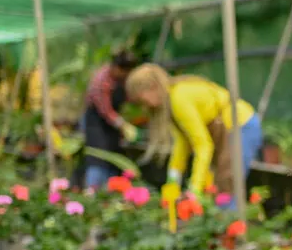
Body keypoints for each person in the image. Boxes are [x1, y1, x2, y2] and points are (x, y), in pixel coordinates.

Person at [124, 63, 263, 204]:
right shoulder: (171, 102)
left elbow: (203, 145)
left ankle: (234, 222)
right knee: (220, 188)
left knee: (228, 185)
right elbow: (182, 144)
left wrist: (194, 190)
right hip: (230, 128)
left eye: (142, 100)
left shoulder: (178, 99)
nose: (144, 106)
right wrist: (173, 183)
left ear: (153, 87)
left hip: (241, 124)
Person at [81, 49, 140, 189]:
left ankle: (112, 192)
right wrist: (123, 125)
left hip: (112, 125)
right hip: (96, 122)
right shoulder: (101, 80)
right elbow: (106, 111)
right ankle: (93, 191)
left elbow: (128, 100)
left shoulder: (123, 80)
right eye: (124, 71)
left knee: (114, 157)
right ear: (116, 67)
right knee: (97, 157)